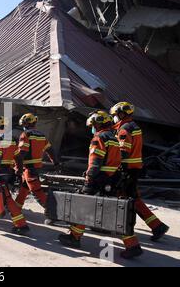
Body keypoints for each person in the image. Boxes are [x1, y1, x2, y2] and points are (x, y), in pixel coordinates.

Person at [59, 111, 143, 260]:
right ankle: (133, 245)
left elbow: (96, 161)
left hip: (99, 179)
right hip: (113, 179)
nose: (92, 128)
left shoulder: (99, 138)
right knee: (113, 213)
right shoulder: (113, 137)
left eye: (92, 125)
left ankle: (74, 237)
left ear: (97, 124)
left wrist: (89, 178)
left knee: (83, 207)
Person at [110, 102, 169, 241]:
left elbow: (123, 152)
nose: (114, 118)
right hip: (134, 168)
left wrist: (112, 163)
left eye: (114, 115)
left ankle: (156, 226)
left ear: (121, 114)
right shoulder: (134, 126)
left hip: (127, 169)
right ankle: (156, 225)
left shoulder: (124, 129)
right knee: (131, 197)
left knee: (130, 199)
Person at [15, 113, 59, 209]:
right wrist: (55, 162)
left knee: (36, 191)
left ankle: (52, 212)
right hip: (37, 167)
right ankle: (16, 207)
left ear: (25, 124)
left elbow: (21, 154)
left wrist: (18, 168)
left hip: (29, 168)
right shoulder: (41, 135)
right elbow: (50, 150)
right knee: (24, 188)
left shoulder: (25, 135)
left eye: (23, 124)